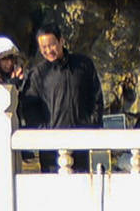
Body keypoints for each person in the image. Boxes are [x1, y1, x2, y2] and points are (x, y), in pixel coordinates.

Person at [19, 22, 100, 171]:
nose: (48, 50)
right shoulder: (38, 74)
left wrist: (90, 124)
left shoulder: (83, 65)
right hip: (51, 147)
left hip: (81, 141)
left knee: (83, 188)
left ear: (61, 41)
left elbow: (96, 98)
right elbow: (30, 108)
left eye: (52, 45)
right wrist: (45, 130)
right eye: (43, 48)